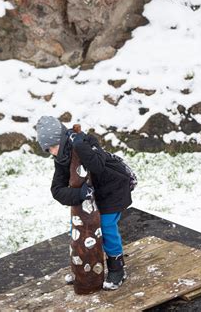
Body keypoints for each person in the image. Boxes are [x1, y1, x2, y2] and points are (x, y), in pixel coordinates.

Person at [36, 115, 132, 290]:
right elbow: (56, 190)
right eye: (48, 149)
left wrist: (80, 146)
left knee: (106, 226)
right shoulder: (62, 160)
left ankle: (117, 268)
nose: (52, 152)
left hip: (111, 191)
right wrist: (80, 193)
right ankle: (83, 268)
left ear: (61, 139)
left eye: (53, 147)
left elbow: (97, 166)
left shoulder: (87, 141)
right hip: (89, 196)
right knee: (78, 229)